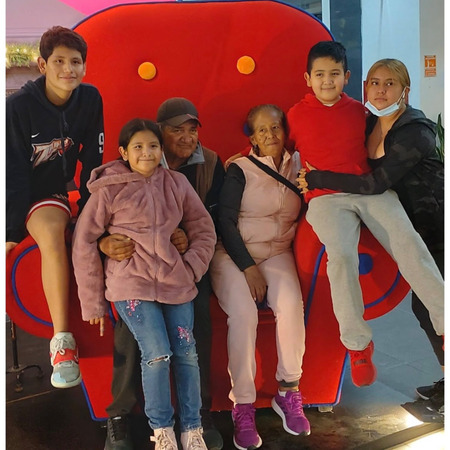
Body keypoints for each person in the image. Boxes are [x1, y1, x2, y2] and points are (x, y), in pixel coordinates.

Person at [287, 40, 444, 388]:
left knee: (408, 242)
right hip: (325, 199)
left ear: (346, 77)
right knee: (341, 257)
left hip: (370, 190)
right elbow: (276, 147)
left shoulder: (361, 113)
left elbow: (376, 172)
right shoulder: (295, 115)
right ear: (307, 78)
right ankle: (357, 345)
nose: (327, 81)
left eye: (334, 74)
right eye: (319, 75)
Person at [72, 118, 217, 450]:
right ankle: (162, 430)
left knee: (187, 352)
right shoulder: (109, 189)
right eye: (138, 147)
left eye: (153, 146)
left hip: (175, 282)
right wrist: (93, 303)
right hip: (131, 284)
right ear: (124, 152)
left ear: (161, 150)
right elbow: (84, 241)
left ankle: (192, 428)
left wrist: (191, 267)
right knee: (157, 353)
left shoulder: (176, 183)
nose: (146, 153)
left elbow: (203, 228)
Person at [6, 26, 104, 389]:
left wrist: (91, 214)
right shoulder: (17, 107)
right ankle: (62, 343)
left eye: (75, 62)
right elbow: (13, 172)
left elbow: (93, 161)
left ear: (84, 66)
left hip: (59, 193)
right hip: (24, 193)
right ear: (42, 65)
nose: (68, 69)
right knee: (49, 232)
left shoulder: (90, 99)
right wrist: (11, 230)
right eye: (59, 61)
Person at [210, 104, 311, 450]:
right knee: (244, 313)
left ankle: (288, 390)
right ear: (252, 138)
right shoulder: (239, 169)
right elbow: (225, 222)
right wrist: (248, 267)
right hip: (233, 253)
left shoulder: (300, 165)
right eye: (262, 130)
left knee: (291, 305)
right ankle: (243, 404)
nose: (270, 135)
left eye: (276, 127)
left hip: (277, 251)